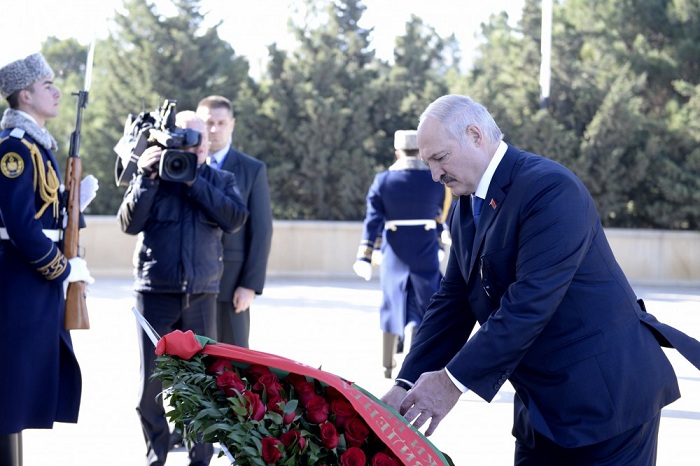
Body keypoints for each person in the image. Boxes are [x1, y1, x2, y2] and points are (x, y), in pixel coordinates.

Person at [381, 94, 700, 465]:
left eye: (440, 158)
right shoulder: (465, 208)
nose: (435, 174)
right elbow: (451, 304)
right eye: (428, 162)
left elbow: (529, 305)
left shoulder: (549, 189)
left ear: (475, 135)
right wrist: (405, 384)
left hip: (608, 402)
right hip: (542, 411)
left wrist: (450, 383)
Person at [118, 111, 249, 466]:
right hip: (154, 292)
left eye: (199, 138)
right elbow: (128, 223)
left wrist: (194, 181)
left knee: (201, 385)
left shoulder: (220, 178)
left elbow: (235, 219)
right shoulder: (153, 176)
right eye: (185, 138)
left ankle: (200, 460)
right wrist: (146, 176)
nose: (194, 144)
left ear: (205, 143)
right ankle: (156, 455)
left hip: (202, 295)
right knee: (151, 386)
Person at [0, 53, 94, 466]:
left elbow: (46, 213)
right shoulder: (14, 150)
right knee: (10, 390)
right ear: (24, 95)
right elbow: (20, 225)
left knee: (19, 393)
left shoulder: (38, 146)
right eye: (47, 85)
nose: (57, 92)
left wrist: (76, 206)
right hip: (21, 281)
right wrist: (60, 268)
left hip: (33, 282)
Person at [353, 129, 450, 378]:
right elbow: (440, 215)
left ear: (397, 152)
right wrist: (440, 243)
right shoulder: (435, 180)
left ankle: (387, 364)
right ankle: (415, 358)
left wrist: (364, 255)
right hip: (425, 247)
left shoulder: (382, 181)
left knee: (391, 300)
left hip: (394, 250)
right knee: (425, 301)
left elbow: (373, 220)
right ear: (420, 152)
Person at [196, 96, 273, 349]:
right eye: (208, 122)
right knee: (192, 360)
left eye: (221, 122)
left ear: (232, 124)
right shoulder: (183, 165)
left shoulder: (252, 169)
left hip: (231, 284)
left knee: (234, 361)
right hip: (191, 282)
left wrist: (249, 285)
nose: (214, 129)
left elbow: (261, 230)